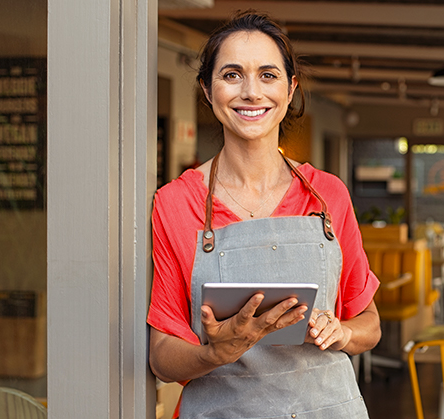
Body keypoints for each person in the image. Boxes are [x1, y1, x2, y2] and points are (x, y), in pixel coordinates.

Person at [147, 11, 380, 418]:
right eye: (232, 74)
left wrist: (341, 332)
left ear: (290, 89)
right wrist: (214, 352)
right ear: (207, 89)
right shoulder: (174, 203)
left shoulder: (327, 196)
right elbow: (162, 355)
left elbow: (369, 323)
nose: (251, 92)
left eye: (268, 75)